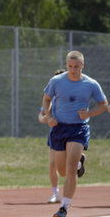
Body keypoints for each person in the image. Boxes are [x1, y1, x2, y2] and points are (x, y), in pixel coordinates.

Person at [43, 50, 107, 217]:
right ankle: (80, 163)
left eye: (76, 67)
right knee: (62, 171)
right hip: (59, 128)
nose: (73, 70)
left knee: (70, 169)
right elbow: (46, 99)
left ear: (82, 66)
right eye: (70, 66)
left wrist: (89, 114)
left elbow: (103, 104)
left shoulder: (91, 84)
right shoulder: (56, 81)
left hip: (78, 128)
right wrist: (49, 117)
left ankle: (64, 207)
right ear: (66, 65)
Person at [38, 69, 86, 204]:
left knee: (68, 165)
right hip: (56, 134)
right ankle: (55, 194)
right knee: (53, 164)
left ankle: (77, 163)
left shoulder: (72, 96)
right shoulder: (50, 98)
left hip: (71, 133)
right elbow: (41, 115)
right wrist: (47, 118)